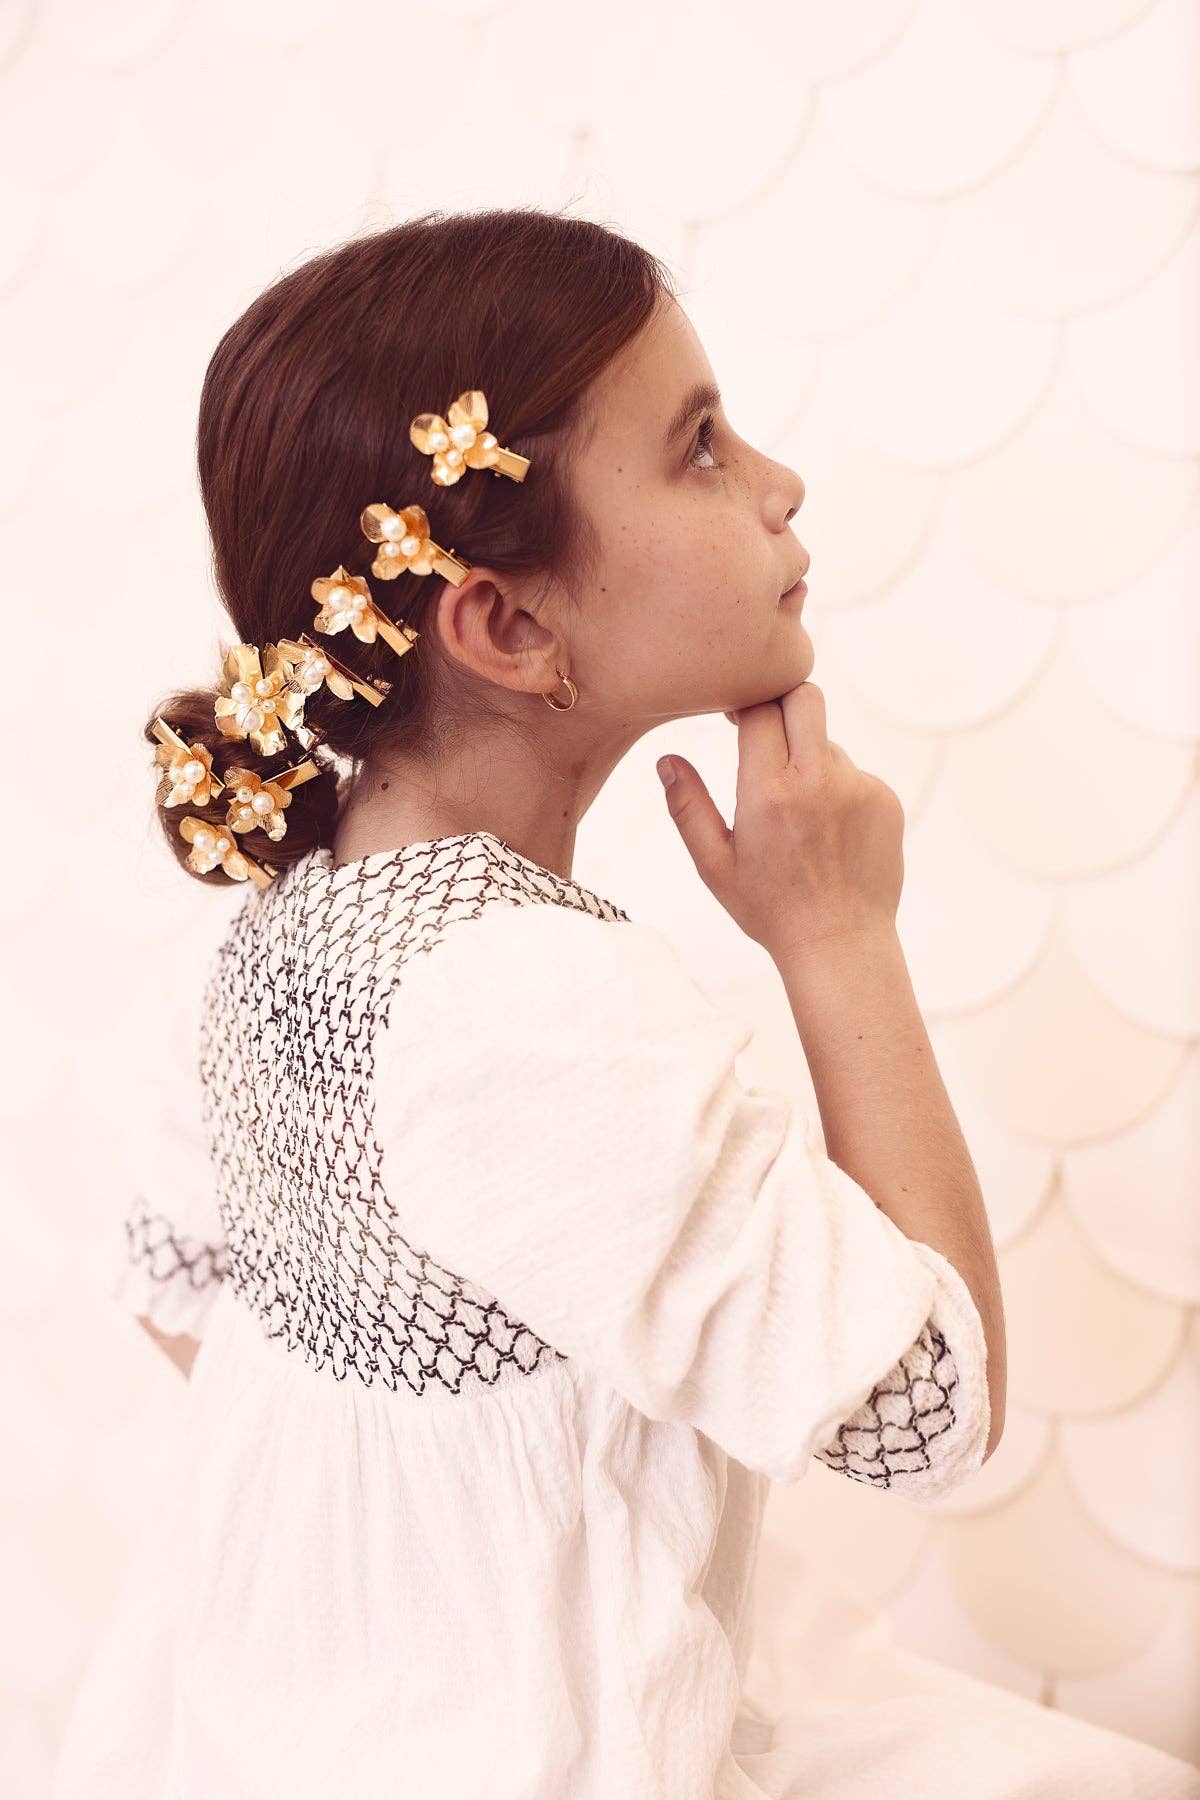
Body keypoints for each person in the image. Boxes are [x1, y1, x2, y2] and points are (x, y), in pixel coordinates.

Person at [53, 207, 1200, 1798]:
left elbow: (180, 1288)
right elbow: (928, 1411)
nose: (782, 484)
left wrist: (422, 1581)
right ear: (511, 624)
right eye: (703, 448)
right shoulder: (528, 1006)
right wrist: (838, 935)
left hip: (253, 1738)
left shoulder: (278, 927)